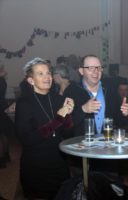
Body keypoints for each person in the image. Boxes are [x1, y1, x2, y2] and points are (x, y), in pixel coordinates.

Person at [15, 57, 75, 199]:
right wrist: (58, 119)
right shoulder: (24, 103)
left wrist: (68, 115)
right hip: (36, 168)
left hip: (59, 164)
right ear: (31, 80)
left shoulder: (59, 99)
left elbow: (68, 134)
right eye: (40, 74)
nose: (47, 77)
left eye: (48, 73)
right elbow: (28, 139)